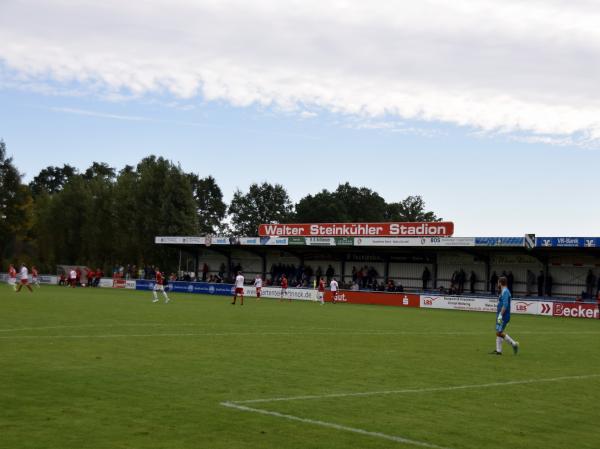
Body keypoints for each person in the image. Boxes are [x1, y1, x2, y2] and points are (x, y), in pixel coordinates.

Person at [490, 276, 519, 355]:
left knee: (499, 332)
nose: (497, 284)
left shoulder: (505, 291)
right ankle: (498, 351)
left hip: (503, 316)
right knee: (498, 331)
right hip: (501, 315)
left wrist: (500, 315)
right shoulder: (503, 291)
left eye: (498, 282)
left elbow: (505, 305)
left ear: (500, 283)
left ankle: (514, 344)